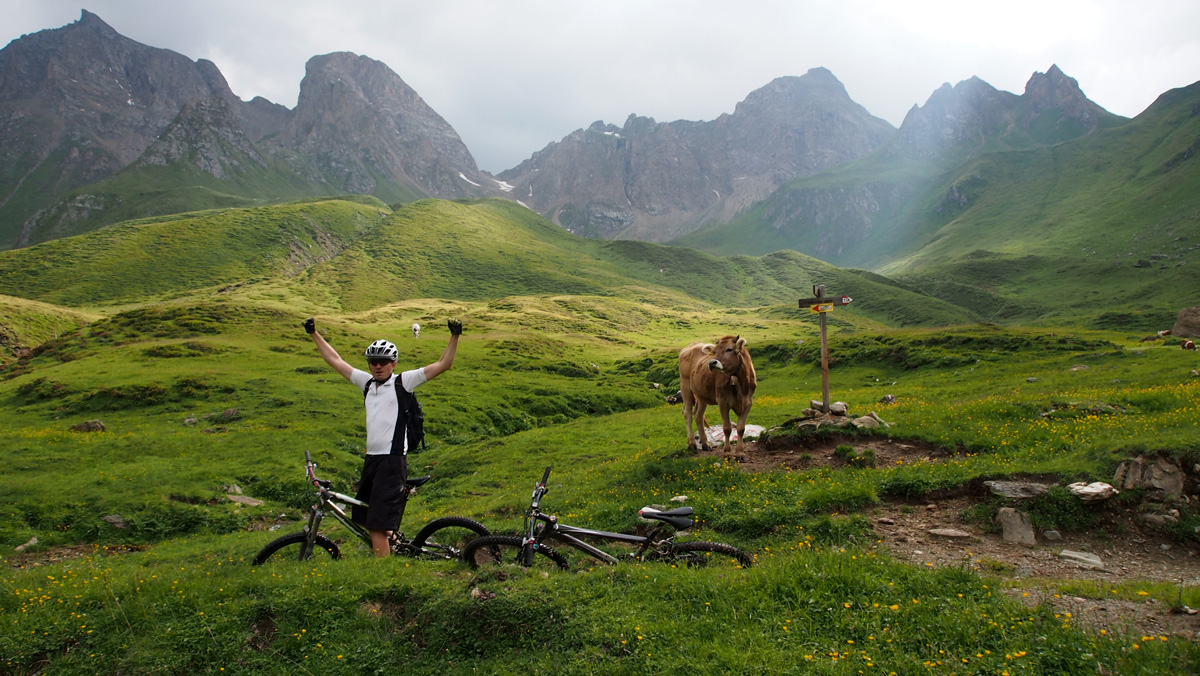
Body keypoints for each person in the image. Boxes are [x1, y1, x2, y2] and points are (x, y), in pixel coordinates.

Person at [304, 316, 463, 557]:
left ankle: (384, 572)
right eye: (373, 362)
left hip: (392, 461)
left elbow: (443, 364)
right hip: (372, 461)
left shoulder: (403, 382)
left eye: (384, 362)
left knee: (376, 525)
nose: (378, 366)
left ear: (394, 363)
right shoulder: (366, 384)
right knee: (367, 517)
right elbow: (335, 360)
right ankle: (395, 546)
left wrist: (455, 336)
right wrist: (314, 334)